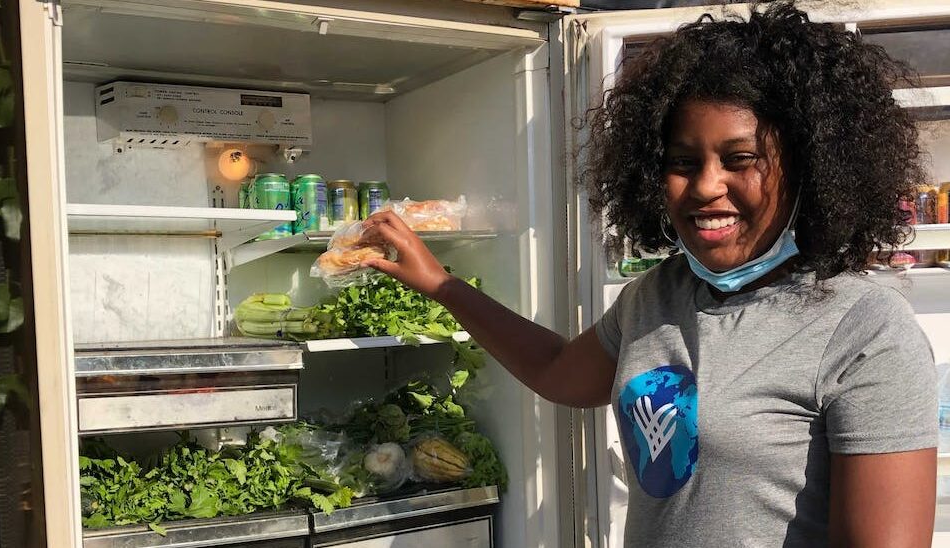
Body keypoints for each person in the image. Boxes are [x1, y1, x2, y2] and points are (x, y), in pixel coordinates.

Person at [360, 2, 937, 546]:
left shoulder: (863, 329)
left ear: (808, 170)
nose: (707, 186)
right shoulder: (657, 295)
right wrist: (441, 284)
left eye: (740, 160)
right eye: (683, 163)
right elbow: (559, 373)